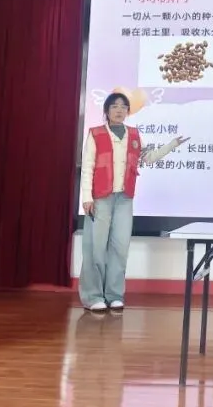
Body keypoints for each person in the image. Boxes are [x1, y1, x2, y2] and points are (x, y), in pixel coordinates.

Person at [79, 92, 188, 312]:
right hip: (100, 198)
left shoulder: (134, 135)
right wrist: (87, 197)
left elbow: (148, 158)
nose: (119, 110)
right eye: (114, 106)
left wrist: (171, 145)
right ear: (106, 111)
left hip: (124, 198)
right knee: (96, 248)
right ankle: (93, 296)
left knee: (120, 247)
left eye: (123, 106)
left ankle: (114, 295)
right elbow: (88, 166)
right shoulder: (96, 134)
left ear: (128, 111)